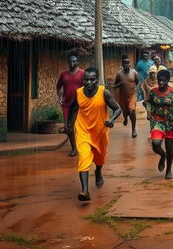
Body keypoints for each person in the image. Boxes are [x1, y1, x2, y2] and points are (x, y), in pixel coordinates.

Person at [67, 67, 121, 201]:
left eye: (92, 79)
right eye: (86, 79)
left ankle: (98, 171)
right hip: (83, 130)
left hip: (100, 132)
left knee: (100, 158)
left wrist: (111, 119)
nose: (89, 82)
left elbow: (117, 108)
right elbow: (72, 109)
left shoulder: (104, 92)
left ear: (97, 80)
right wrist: (68, 125)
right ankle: (85, 191)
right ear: (83, 80)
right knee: (84, 158)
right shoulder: (78, 93)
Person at [145, 69, 173, 179]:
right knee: (156, 143)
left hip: (171, 121)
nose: (160, 83)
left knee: (169, 145)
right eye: (159, 80)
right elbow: (148, 102)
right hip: (157, 120)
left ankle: (169, 170)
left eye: (163, 81)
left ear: (167, 81)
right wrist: (148, 112)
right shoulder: (153, 92)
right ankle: (163, 155)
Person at [56, 52, 84, 156]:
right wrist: (60, 96)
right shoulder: (63, 75)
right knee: (67, 128)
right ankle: (74, 147)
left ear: (77, 62)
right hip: (66, 104)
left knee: (74, 126)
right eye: (70, 61)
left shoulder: (82, 73)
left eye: (74, 61)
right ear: (67, 62)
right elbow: (58, 87)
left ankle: (75, 148)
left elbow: (86, 87)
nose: (72, 63)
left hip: (78, 104)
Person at [112, 55, 138, 138]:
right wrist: (120, 83)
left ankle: (133, 129)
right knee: (125, 111)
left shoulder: (134, 72)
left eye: (127, 63)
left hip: (132, 96)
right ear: (122, 64)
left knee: (132, 110)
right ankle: (125, 118)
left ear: (130, 64)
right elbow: (114, 85)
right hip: (122, 97)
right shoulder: (119, 74)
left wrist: (136, 89)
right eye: (124, 63)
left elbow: (138, 82)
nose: (126, 65)